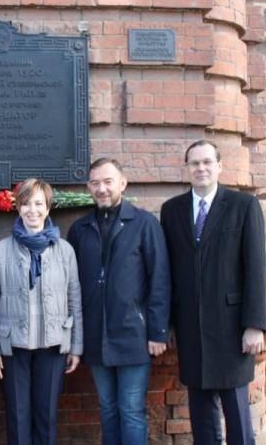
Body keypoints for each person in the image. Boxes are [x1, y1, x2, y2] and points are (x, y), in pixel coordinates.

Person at [160, 140, 266, 445]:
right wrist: (167, 323)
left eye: (207, 162)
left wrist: (254, 324)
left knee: (236, 413)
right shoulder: (172, 210)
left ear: (219, 165)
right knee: (201, 412)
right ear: (187, 168)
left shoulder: (243, 205)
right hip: (191, 327)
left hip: (233, 327)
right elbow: (168, 272)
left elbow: (255, 267)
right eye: (194, 163)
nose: (201, 168)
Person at [67, 158, 171, 445]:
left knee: (131, 410)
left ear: (122, 183)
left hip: (133, 335)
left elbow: (160, 279)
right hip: (95, 334)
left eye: (108, 181)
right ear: (89, 187)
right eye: (95, 183)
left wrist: (158, 331)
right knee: (108, 409)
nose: (102, 189)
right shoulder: (80, 229)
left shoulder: (144, 223)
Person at [0, 178, 83, 445]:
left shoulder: (65, 250)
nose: (32, 210)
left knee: (46, 415)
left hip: (53, 345)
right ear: (18, 208)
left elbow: (75, 299)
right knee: (17, 415)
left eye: (39, 203)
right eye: (25, 203)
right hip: (13, 348)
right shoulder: (1, 251)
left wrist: (76, 346)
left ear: (48, 208)